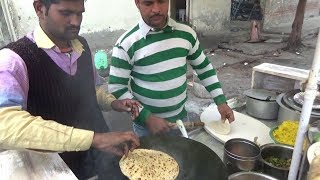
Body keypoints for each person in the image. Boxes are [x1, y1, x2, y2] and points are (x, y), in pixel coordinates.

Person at [0, 0, 141, 179]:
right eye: (66, 13)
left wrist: (113, 103)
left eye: (79, 13)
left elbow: (92, 89)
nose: (75, 22)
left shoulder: (81, 46)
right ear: (39, 9)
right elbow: (5, 124)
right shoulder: (14, 59)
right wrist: (94, 139)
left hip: (103, 155)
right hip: (59, 167)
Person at [108, 0, 235, 137]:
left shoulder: (186, 34)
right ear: (137, 3)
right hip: (146, 129)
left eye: (162, 1)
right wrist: (146, 117)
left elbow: (204, 69)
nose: (156, 9)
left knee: (181, 157)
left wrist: (221, 102)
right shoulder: (126, 44)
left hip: (180, 121)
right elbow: (117, 89)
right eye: (148, 3)